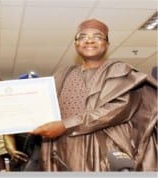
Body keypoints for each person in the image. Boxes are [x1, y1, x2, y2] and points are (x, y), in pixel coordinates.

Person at [31, 19, 157, 171]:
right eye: (82, 37)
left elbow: (117, 109)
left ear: (107, 44)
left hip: (106, 151)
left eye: (97, 36)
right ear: (76, 44)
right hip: (67, 151)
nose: (89, 40)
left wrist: (66, 125)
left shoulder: (121, 71)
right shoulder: (61, 75)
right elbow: (40, 106)